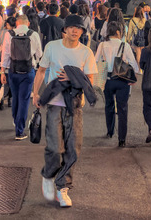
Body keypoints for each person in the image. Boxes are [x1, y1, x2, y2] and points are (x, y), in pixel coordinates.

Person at [32, 14, 98, 208]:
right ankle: (48, 174)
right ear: (64, 29)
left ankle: (63, 187)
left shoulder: (86, 52)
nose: (75, 31)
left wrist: (72, 78)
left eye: (79, 28)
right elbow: (42, 71)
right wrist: (35, 93)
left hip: (76, 106)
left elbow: (90, 81)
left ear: (83, 31)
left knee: (73, 149)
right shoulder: (52, 47)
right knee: (54, 147)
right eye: (71, 27)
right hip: (54, 103)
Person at [95, 22, 139, 147]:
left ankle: (110, 131)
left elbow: (96, 60)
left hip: (107, 80)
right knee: (122, 109)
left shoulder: (102, 45)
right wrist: (133, 76)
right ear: (119, 32)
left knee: (108, 105)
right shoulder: (125, 46)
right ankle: (122, 139)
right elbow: (134, 65)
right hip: (122, 80)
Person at [1, 15, 42, 140]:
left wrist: (3, 71)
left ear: (17, 23)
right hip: (28, 72)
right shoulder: (33, 34)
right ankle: (19, 131)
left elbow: (5, 53)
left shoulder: (9, 34)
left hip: (13, 71)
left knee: (15, 97)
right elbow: (39, 54)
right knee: (24, 99)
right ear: (28, 23)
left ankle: (16, 120)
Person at [0, 17, 16, 110]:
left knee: (1, 80)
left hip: (3, 58)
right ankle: (10, 100)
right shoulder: (16, 32)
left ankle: (0, 98)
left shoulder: (4, 32)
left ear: (7, 24)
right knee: (11, 80)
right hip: (13, 60)